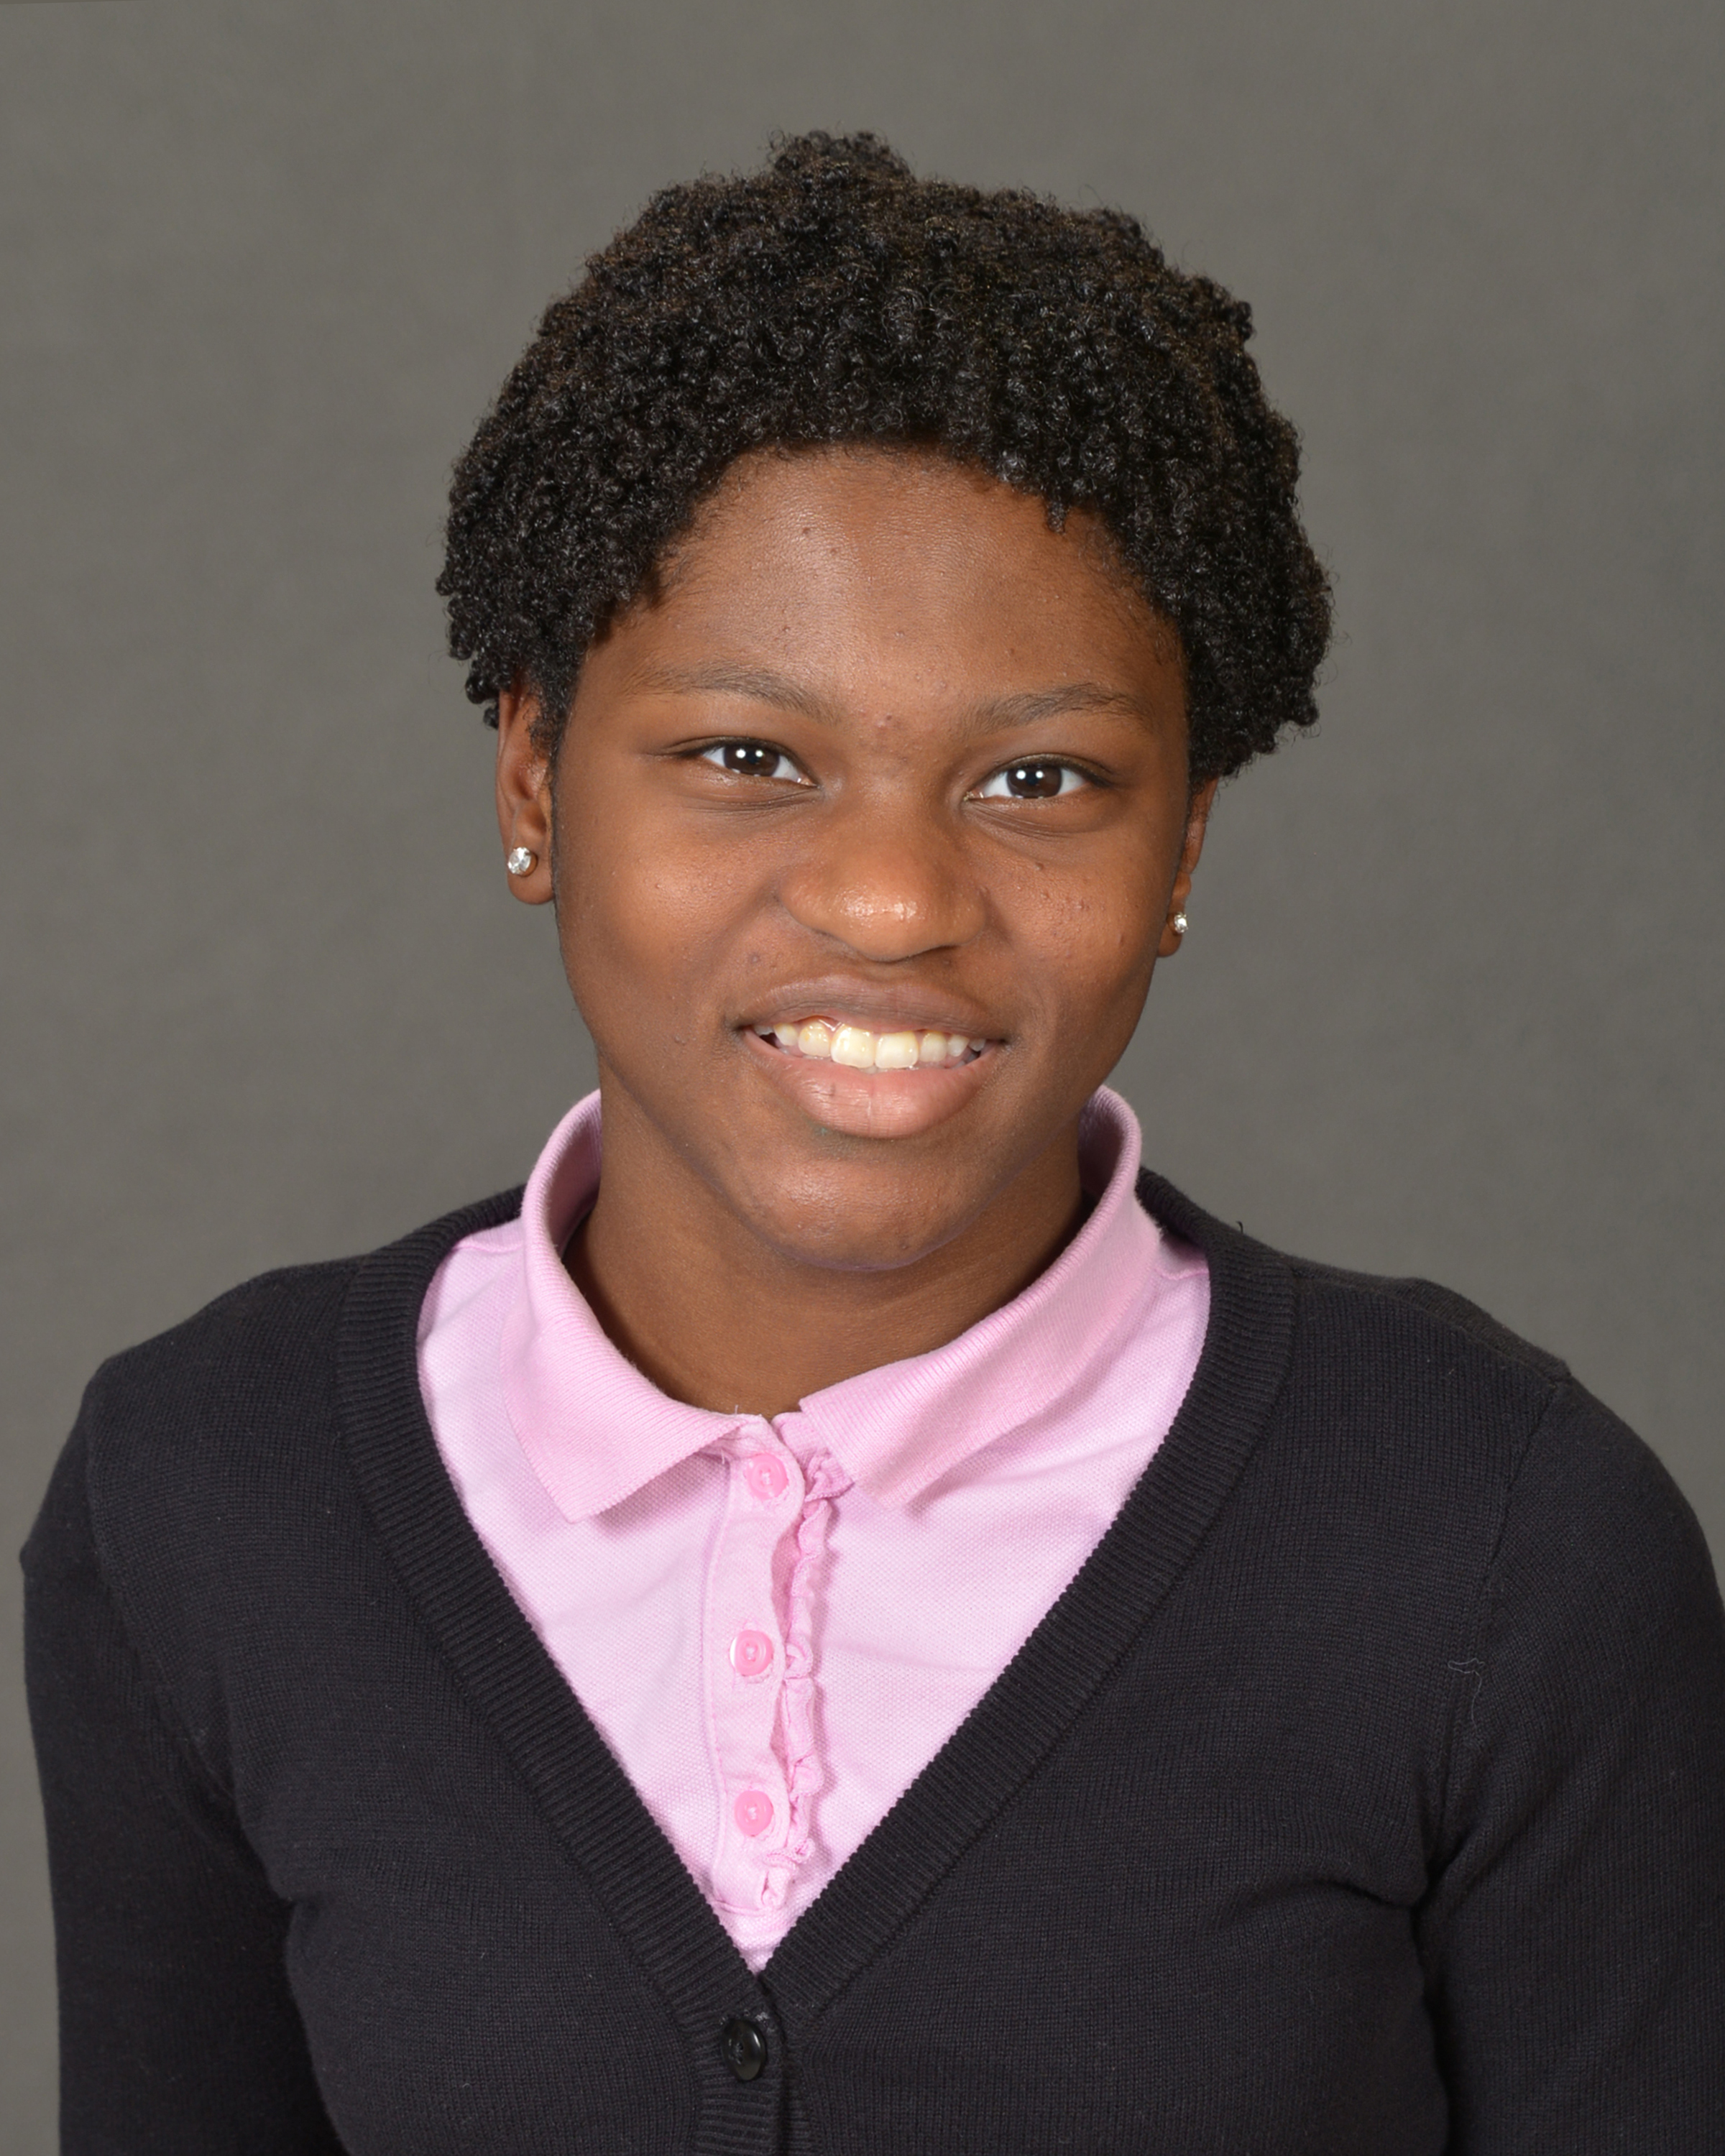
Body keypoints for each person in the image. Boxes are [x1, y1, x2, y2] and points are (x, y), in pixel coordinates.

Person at [24, 133, 1725, 2155]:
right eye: (749, 756)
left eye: (1042, 779)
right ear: (535, 776)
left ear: (1185, 842)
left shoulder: (1501, 1544)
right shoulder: (206, 1492)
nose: (896, 900)